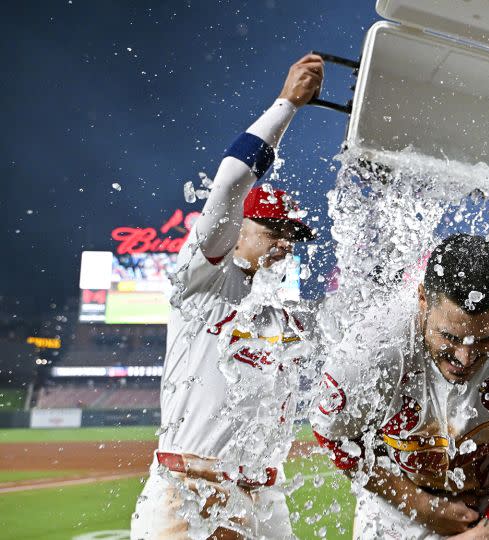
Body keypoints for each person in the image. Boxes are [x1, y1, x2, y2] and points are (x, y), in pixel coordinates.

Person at [131, 53, 324, 539]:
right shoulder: (203, 279)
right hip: (186, 493)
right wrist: (287, 105)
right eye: (273, 229)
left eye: (292, 234)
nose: (284, 242)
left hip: (261, 498)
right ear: (237, 227)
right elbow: (232, 180)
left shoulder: (282, 312)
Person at [311, 233, 489, 539]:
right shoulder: (369, 350)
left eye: (486, 339)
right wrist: (418, 504)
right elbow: (332, 435)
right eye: (450, 337)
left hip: (485, 505)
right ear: (422, 300)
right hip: (397, 501)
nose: (465, 358)